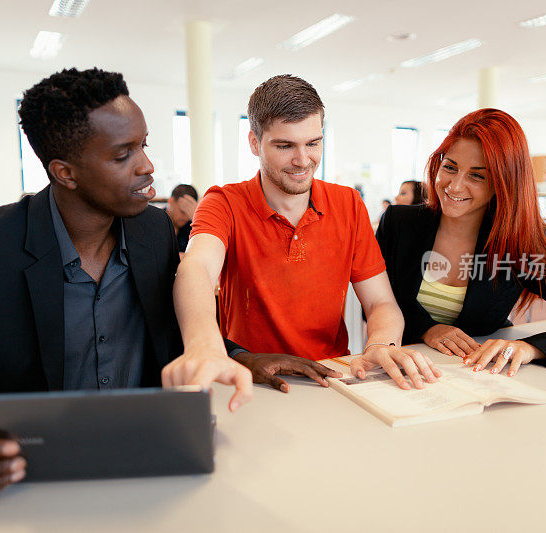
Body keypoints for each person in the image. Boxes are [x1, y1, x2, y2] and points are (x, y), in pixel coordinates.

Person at [0, 68, 251, 502]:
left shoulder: (152, 230)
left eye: (144, 145)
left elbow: (171, 333)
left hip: (150, 470)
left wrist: (246, 356)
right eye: (122, 156)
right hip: (26, 483)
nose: (147, 166)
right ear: (65, 173)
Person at [164, 74, 441, 394]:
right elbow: (196, 267)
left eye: (313, 143)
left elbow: (380, 302)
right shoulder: (224, 202)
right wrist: (203, 346)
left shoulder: (348, 203)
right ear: (254, 143)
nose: (302, 160)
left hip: (330, 379)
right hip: (252, 379)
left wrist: (379, 343)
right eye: (284, 146)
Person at [350, 109, 546, 380]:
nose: (454, 186)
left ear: (503, 183)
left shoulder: (523, 242)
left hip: (478, 375)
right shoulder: (400, 222)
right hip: (404, 370)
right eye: (450, 167)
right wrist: (429, 329)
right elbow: (374, 304)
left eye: (477, 175)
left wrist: (530, 348)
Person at [165, 183, 199, 257]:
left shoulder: (191, 225)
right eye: (182, 211)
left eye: (189, 213)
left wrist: (195, 216)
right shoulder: (154, 221)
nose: (186, 217)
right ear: (171, 201)